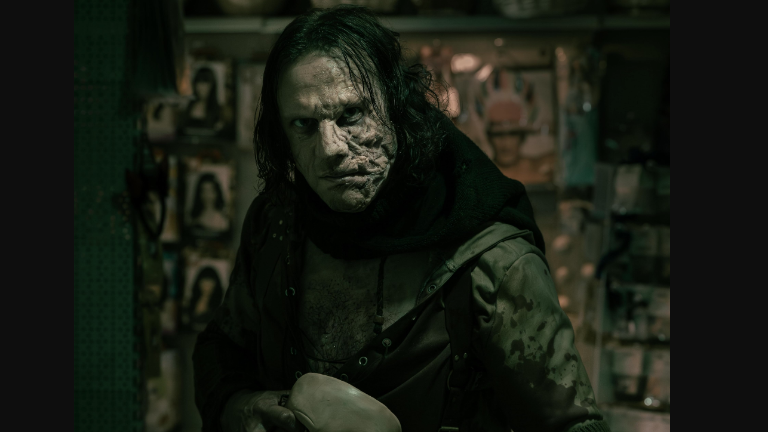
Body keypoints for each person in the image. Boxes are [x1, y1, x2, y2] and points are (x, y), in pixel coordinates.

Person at [193, 6, 609, 432]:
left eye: (351, 115)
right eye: (304, 124)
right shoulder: (276, 226)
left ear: (397, 106)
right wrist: (240, 406)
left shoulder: (494, 262)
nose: (331, 148)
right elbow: (221, 348)